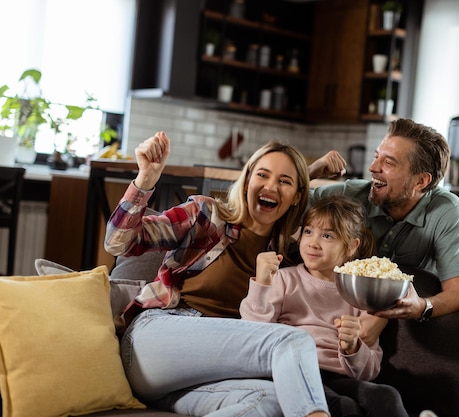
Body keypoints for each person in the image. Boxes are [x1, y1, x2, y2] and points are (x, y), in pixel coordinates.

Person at [104, 131, 330, 417]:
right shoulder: (206, 215)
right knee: (291, 341)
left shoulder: (289, 259)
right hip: (155, 341)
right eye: (262, 175)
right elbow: (118, 242)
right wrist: (145, 179)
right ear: (247, 181)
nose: (271, 186)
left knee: (271, 401)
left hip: (202, 375)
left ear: (297, 197)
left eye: (284, 182)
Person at [307, 119, 459, 342]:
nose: (373, 167)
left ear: (421, 181)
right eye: (376, 156)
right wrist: (311, 170)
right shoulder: (353, 194)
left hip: (407, 330)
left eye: (388, 162)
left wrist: (421, 307)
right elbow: (285, 200)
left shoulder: (447, 210)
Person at [240, 195, 408, 417]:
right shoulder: (283, 279)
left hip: (340, 376)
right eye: (308, 231)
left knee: (386, 396)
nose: (313, 242)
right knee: (344, 407)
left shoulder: (359, 291)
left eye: (327, 235)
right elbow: (252, 335)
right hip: (295, 373)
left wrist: (353, 348)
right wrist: (261, 283)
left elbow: (370, 369)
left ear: (351, 246)